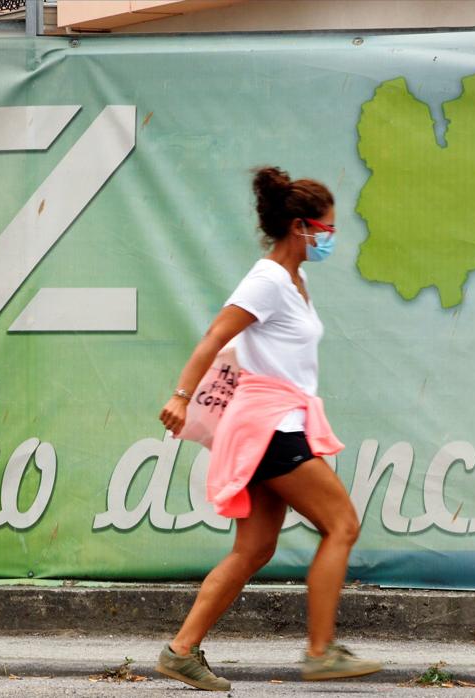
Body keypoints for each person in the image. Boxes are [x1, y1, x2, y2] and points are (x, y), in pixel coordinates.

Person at [155, 166, 381, 691]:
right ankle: (321, 652)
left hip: (274, 423)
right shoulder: (269, 280)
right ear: (301, 227)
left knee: (254, 550)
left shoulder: (295, 281)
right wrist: (181, 396)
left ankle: (180, 650)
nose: (331, 238)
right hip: (270, 427)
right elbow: (216, 335)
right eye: (326, 229)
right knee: (342, 524)